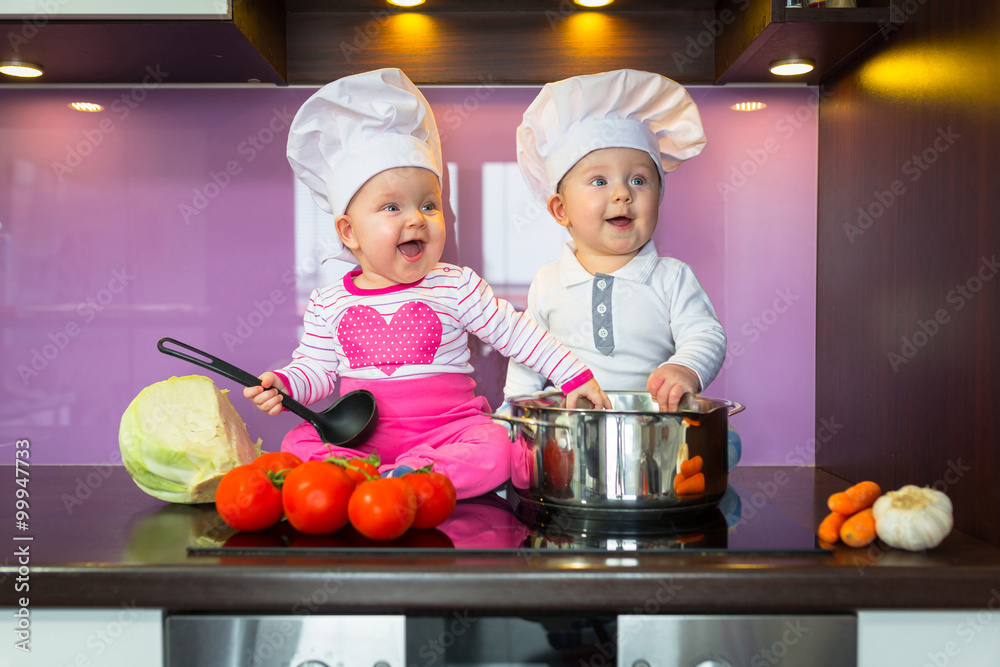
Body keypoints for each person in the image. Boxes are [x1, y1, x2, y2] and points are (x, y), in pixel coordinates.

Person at [243, 68, 610, 499]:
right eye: (392, 206)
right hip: (361, 440)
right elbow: (318, 371)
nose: (416, 218)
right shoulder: (330, 302)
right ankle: (376, 478)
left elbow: (519, 334)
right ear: (349, 231)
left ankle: (404, 478)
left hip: (449, 434)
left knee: (499, 447)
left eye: (429, 204)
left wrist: (573, 377)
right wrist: (285, 385)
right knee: (297, 442)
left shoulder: (455, 286)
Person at [502, 69, 741, 474]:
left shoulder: (672, 277)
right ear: (561, 209)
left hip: (656, 439)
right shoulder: (548, 282)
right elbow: (528, 359)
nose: (622, 193)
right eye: (599, 180)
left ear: (659, 198)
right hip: (573, 441)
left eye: (639, 180)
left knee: (722, 446)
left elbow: (707, 334)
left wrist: (685, 369)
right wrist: (512, 418)